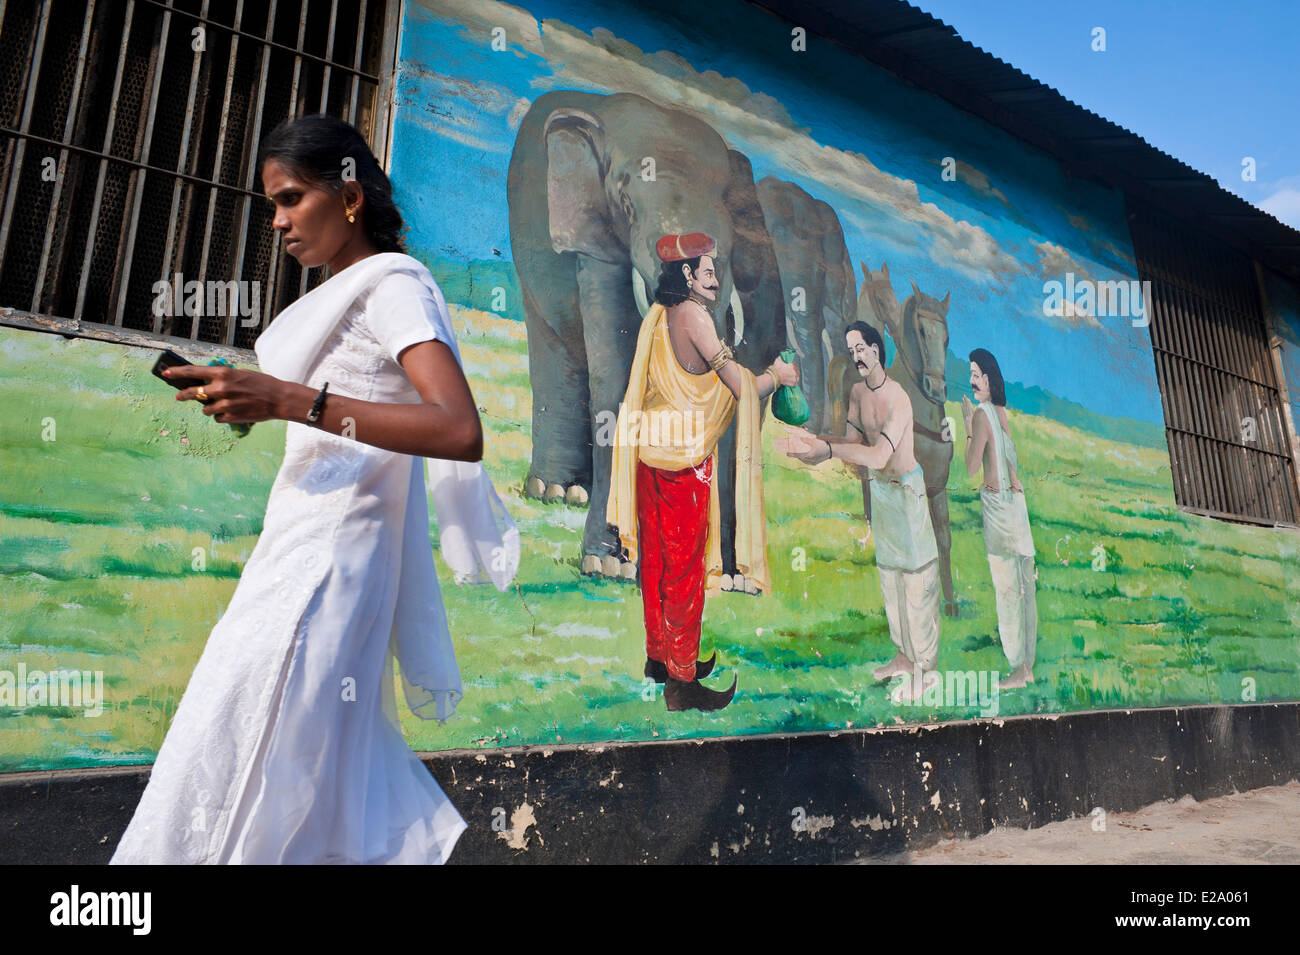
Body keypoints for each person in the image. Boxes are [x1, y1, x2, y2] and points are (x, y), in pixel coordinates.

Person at [110, 114, 518, 864]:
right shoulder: (349, 293)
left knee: (244, 745)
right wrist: (253, 404)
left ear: (350, 197)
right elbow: (340, 421)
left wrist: (290, 400)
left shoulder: (393, 285)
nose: (279, 221)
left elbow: (458, 428)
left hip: (328, 569)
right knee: (281, 760)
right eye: (272, 204)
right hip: (302, 550)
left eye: (293, 198)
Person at [607, 232, 797, 712]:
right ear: (688, 275)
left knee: (655, 563)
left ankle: (661, 658)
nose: (716, 280)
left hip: (651, 456)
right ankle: (683, 682)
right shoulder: (694, 317)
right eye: (708, 272)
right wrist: (779, 377)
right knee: (685, 572)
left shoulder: (660, 315)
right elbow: (742, 386)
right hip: (682, 467)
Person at [776, 321, 941, 704]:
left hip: (907, 492)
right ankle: (903, 656)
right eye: (851, 352)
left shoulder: (898, 398)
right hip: (882, 492)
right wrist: (814, 445)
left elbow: (880, 455)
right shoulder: (855, 394)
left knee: (917, 580)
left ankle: (925, 670)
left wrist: (828, 451)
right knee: (890, 577)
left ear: (877, 349)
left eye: (861, 349)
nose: (857, 357)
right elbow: (851, 445)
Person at [961, 348, 1037, 690]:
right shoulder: (1003, 413)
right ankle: (1027, 666)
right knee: (1025, 591)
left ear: (989, 379)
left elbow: (972, 466)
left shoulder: (980, 416)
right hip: (1017, 509)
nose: (973, 381)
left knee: (1007, 591)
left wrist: (966, 427)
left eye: (977, 374)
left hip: (999, 508)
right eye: (972, 374)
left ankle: (1017, 669)